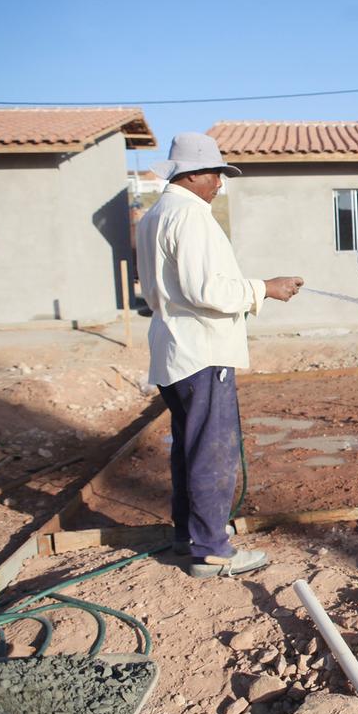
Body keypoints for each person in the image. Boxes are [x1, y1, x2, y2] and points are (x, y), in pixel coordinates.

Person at [136, 132, 303, 578]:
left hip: (173, 349)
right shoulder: (190, 217)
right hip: (201, 351)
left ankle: (186, 538)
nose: (219, 184)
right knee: (212, 451)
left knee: (188, 450)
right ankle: (211, 549)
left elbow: (168, 288)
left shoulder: (156, 215)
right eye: (215, 174)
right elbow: (204, 289)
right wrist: (264, 288)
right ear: (191, 174)